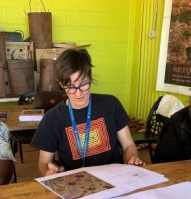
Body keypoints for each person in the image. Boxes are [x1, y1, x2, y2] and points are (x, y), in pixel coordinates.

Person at [30, 48, 142, 176]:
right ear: (61, 84)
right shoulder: (52, 119)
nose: (78, 93)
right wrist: (48, 172)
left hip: (114, 177)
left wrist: (132, 158)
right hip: (75, 183)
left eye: (83, 84)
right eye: (71, 87)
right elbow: (43, 163)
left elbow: (128, 146)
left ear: (90, 77)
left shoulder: (111, 104)